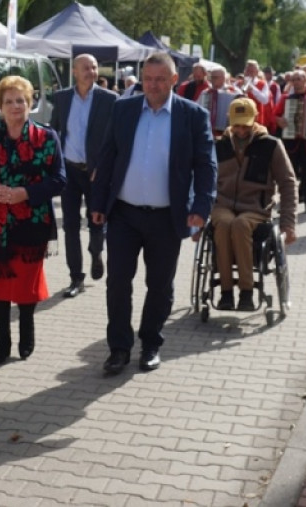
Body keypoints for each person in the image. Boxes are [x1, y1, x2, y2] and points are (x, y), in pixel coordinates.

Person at [90, 51, 217, 375]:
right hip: (124, 214)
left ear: (175, 80)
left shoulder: (192, 116)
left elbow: (206, 166)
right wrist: (97, 204)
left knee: (160, 285)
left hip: (167, 216)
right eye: (148, 78)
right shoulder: (124, 109)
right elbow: (107, 159)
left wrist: (201, 207)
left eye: (161, 79)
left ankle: (150, 344)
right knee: (118, 282)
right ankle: (118, 348)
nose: (153, 85)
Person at [0, 75, 66, 365]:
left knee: (25, 284)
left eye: (20, 100)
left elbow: (59, 179)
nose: (15, 106)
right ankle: (2, 340)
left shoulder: (46, 138)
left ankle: (27, 327)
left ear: (30, 103)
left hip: (31, 224)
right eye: (9, 101)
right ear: (0, 105)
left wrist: (26, 193)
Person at [209, 98, 297, 311]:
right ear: (230, 121)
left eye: (246, 125)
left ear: (255, 120)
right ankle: (226, 292)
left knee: (240, 224)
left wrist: (289, 224)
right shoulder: (218, 145)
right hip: (223, 205)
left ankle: (247, 293)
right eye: (237, 125)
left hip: (256, 208)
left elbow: (287, 183)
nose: (241, 130)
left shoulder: (271, 145)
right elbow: (202, 181)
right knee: (222, 223)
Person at [49, 54, 118, 298]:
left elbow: (115, 139)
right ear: (75, 72)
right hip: (68, 170)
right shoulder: (62, 97)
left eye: (94, 67)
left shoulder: (109, 99)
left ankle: (96, 251)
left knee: (97, 220)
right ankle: (75, 278)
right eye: (85, 68)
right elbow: (54, 131)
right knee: (69, 226)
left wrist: (103, 166)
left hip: (95, 172)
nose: (91, 71)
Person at [274, 69, 306, 214]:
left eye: (299, 79)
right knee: (289, 175)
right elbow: (274, 115)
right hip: (291, 142)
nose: (296, 82)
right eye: (294, 79)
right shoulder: (286, 99)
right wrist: (279, 120)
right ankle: (288, 204)